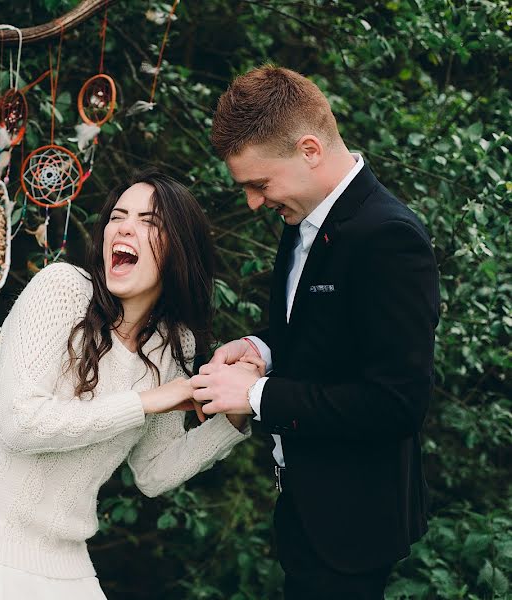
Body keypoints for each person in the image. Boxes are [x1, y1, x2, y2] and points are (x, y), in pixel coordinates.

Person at [0, 168, 254, 599]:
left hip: (61, 552)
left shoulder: (174, 341)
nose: (125, 227)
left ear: (181, 249)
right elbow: (20, 423)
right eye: (118, 216)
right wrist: (149, 400)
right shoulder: (62, 289)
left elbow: (153, 471)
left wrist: (235, 418)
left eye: (150, 221)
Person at [192, 65, 439, 599]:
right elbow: (316, 333)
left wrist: (255, 396)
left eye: (260, 184)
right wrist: (261, 347)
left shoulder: (389, 238)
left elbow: (398, 403)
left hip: (354, 523)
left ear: (309, 150)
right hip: (306, 509)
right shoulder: (303, 218)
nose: (254, 202)